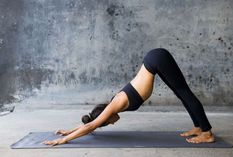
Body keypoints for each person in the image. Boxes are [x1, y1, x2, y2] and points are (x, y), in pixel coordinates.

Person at [43, 48, 215, 146]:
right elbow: (91, 124)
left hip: (157, 60)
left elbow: (92, 126)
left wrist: (63, 140)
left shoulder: (114, 105)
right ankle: (199, 127)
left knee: (185, 93)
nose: (113, 123)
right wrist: (68, 130)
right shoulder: (112, 106)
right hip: (155, 60)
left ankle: (207, 133)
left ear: (106, 115)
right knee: (181, 93)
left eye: (108, 122)